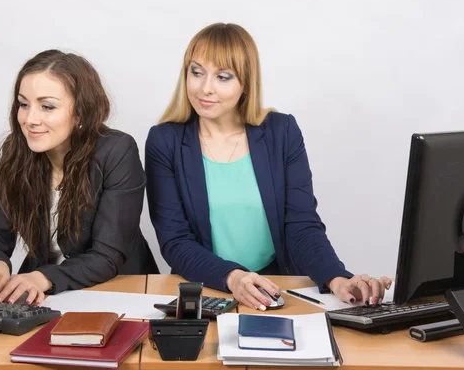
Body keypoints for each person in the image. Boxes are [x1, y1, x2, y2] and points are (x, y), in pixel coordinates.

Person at [145, 23, 391, 311]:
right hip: (208, 289)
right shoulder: (165, 141)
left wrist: (336, 278)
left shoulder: (281, 132)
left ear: (246, 82)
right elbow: (175, 242)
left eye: (223, 77)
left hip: (275, 289)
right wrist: (233, 278)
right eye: (196, 72)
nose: (205, 88)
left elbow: (301, 225)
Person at [0, 49, 158, 305]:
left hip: (118, 290)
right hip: (45, 292)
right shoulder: (16, 151)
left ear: (80, 114)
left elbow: (107, 256)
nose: (30, 119)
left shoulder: (117, 151)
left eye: (47, 106)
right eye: (23, 104)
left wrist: (42, 278)